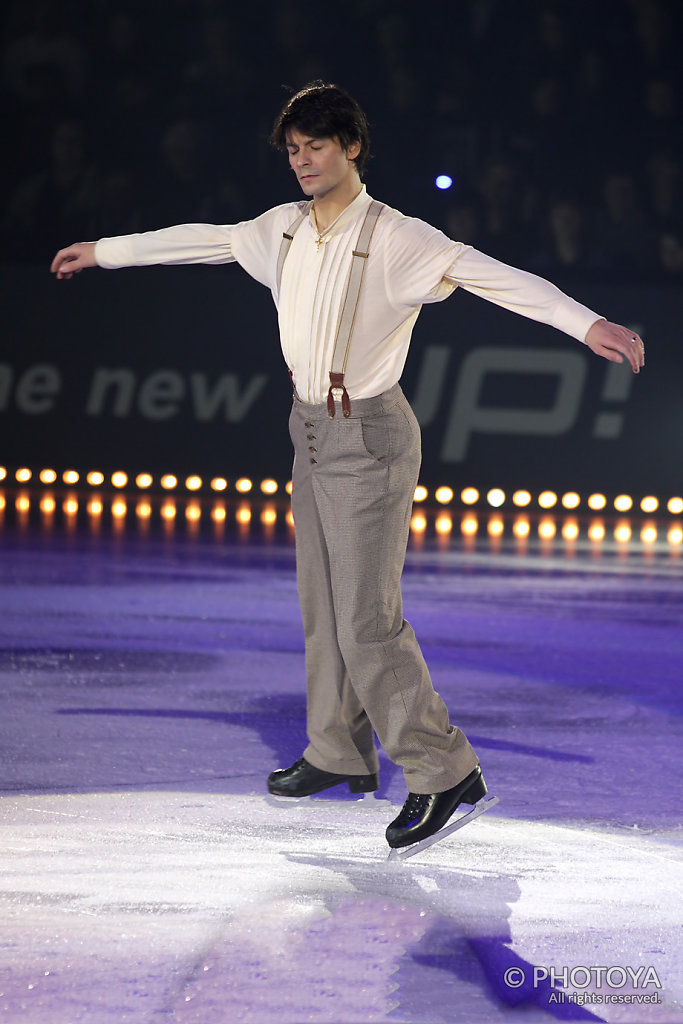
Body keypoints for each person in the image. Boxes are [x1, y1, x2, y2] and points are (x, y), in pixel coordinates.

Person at [51, 81, 645, 851]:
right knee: (321, 605)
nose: (302, 162)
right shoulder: (281, 231)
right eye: (293, 151)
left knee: (367, 618)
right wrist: (104, 252)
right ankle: (337, 752)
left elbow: (493, 274)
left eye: (316, 147)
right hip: (307, 429)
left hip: (368, 438)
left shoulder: (399, 239)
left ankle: (443, 772)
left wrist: (583, 321)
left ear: (351, 147)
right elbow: (205, 237)